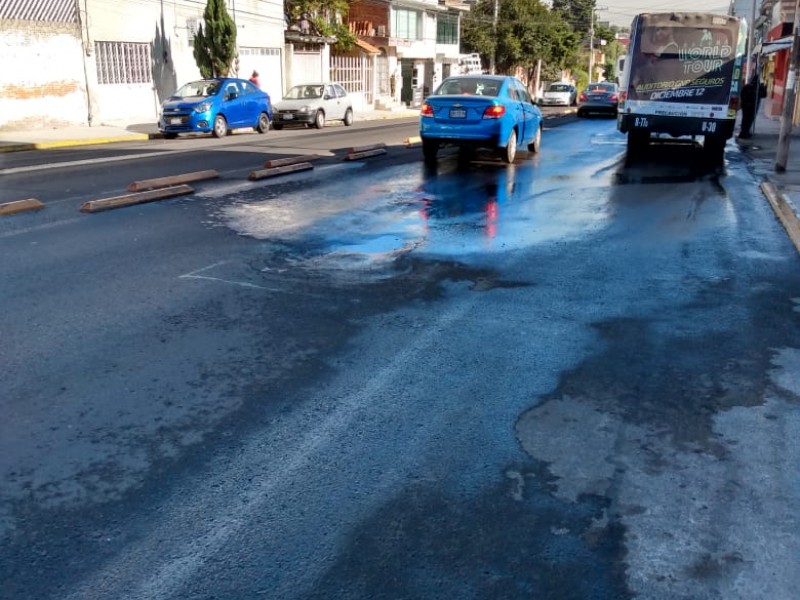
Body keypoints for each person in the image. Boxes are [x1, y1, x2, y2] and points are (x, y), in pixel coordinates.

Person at [738, 75, 766, 139]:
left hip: (745, 106)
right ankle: (745, 133)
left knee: (745, 119)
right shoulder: (759, 88)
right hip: (753, 107)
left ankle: (743, 132)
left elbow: (742, 94)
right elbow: (764, 95)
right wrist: (764, 87)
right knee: (749, 120)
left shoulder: (747, 86)